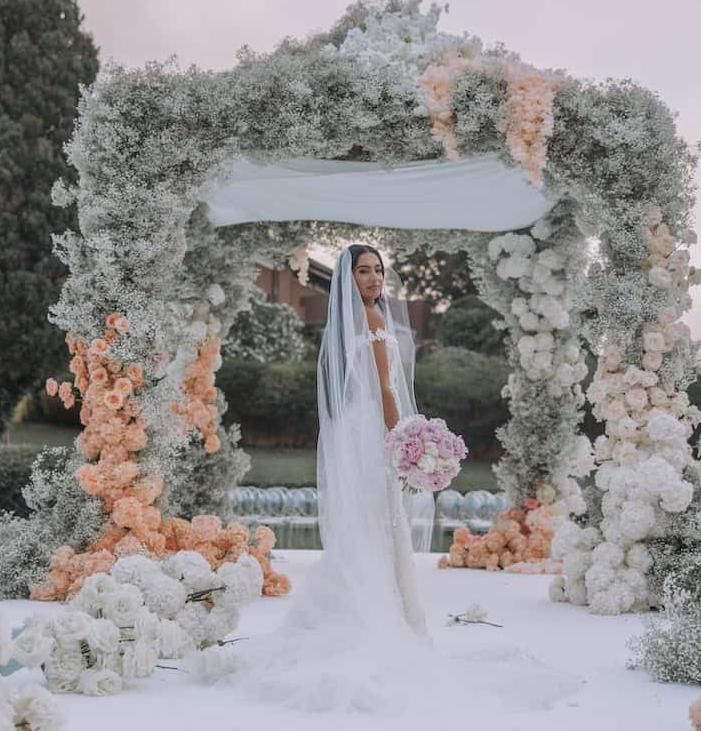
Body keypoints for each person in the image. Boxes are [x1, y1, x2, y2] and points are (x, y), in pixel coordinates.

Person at [184, 244, 578, 718]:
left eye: (378, 270)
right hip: (374, 430)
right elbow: (387, 386)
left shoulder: (355, 319)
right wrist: (404, 436)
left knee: (368, 520)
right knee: (376, 518)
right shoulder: (368, 321)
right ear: (347, 280)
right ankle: (376, 613)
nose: (373, 279)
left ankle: (364, 603)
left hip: (356, 425)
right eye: (363, 271)